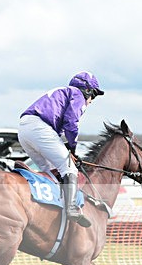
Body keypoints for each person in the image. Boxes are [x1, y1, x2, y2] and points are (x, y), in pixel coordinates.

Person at [18, 71, 104, 228]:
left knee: (50, 171)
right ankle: (71, 209)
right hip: (40, 128)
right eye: (93, 95)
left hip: (24, 130)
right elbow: (71, 123)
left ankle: (48, 208)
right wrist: (72, 147)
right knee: (69, 168)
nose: (91, 101)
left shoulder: (64, 91)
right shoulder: (78, 94)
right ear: (87, 90)